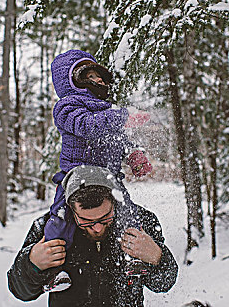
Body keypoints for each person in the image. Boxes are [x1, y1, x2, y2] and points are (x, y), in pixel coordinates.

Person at [43, 49, 153, 289]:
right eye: (91, 76)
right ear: (72, 80)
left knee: (128, 213)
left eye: (101, 78)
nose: (99, 82)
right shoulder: (66, 107)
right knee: (60, 218)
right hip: (75, 178)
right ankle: (54, 271)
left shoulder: (108, 110)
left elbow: (119, 138)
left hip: (109, 179)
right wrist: (121, 117)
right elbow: (87, 126)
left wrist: (134, 154)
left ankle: (131, 257)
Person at [7, 165, 178, 306]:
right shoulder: (48, 229)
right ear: (71, 209)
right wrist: (32, 264)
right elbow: (20, 292)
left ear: (115, 201)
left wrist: (157, 256)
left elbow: (164, 284)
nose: (96, 228)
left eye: (105, 218)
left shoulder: (141, 222)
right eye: (86, 221)